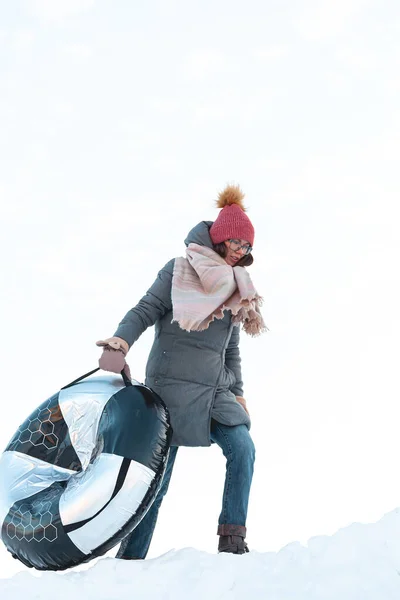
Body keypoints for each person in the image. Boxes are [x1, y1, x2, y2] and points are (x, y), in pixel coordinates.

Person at [96, 184, 266, 558]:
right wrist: (119, 343)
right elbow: (144, 310)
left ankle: (232, 540)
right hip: (169, 392)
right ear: (220, 239)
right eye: (238, 243)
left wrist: (238, 392)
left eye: (248, 247)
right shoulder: (178, 272)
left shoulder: (237, 287)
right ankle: (129, 563)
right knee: (157, 484)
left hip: (214, 393)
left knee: (243, 448)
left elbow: (231, 349)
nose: (243, 252)